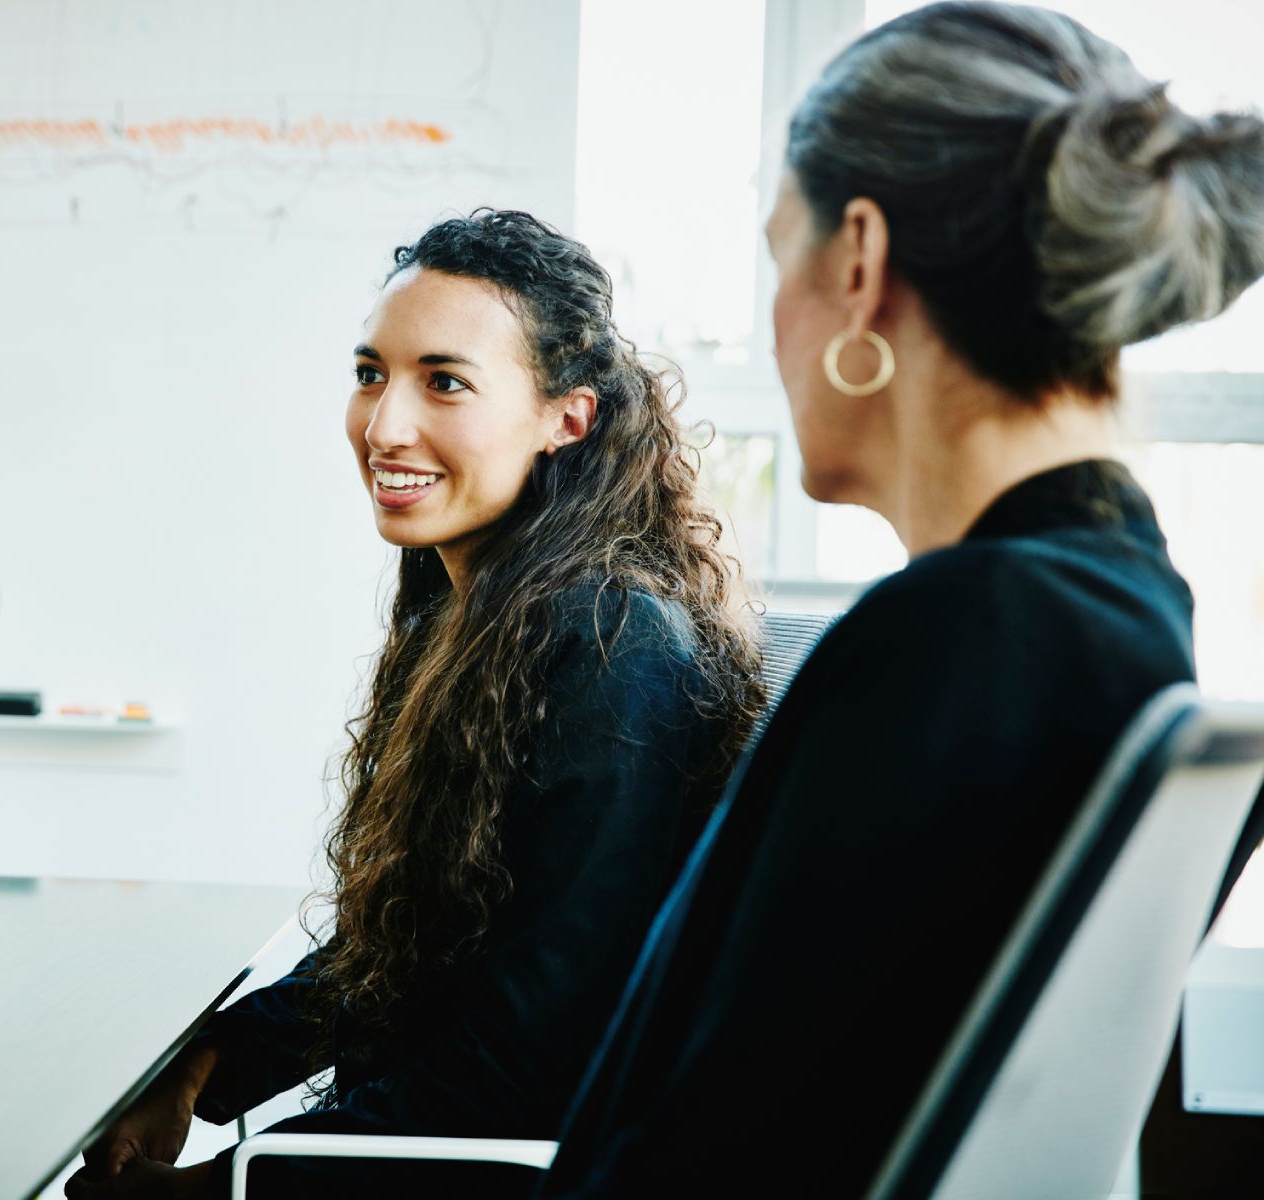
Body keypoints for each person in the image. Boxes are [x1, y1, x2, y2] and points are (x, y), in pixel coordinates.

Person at [537, 4, 1264, 1196]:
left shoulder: (958, 646)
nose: (771, 323)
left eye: (780, 255)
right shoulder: (1118, 602)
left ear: (860, 261)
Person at [68, 211, 764, 1199]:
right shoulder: (463, 602)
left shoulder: (615, 642)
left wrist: (227, 1187)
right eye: (369, 373)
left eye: (445, 382)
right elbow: (416, 943)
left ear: (567, 415)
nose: (384, 425)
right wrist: (208, 1064)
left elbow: (529, 1055)